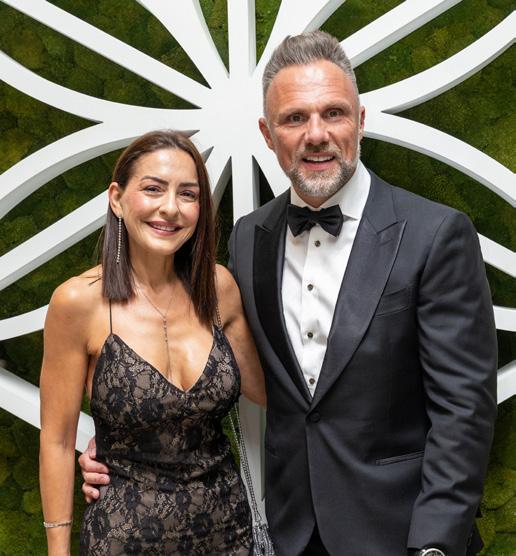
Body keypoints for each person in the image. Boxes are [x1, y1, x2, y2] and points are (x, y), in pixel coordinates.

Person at [80, 31, 498, 556]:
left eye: (333, 113)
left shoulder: (436, 234)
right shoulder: (248, 239)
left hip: (403, 534)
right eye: (295, 118)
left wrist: (434, 543)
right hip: (290, 533)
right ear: (267, 133)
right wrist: (124, 446)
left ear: (360, 120)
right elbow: (217, 373)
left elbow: (464, 409)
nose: (316, 135)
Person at [39, 130, 265, 555]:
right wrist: (57, 550)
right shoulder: (78, 302)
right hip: (122, 539)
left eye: (188, 194)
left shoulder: (218, 288)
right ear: (117, 198)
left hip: (228, 535)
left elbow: (267, 390)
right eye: (153, 189)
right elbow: (56, 440)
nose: (170, 207)